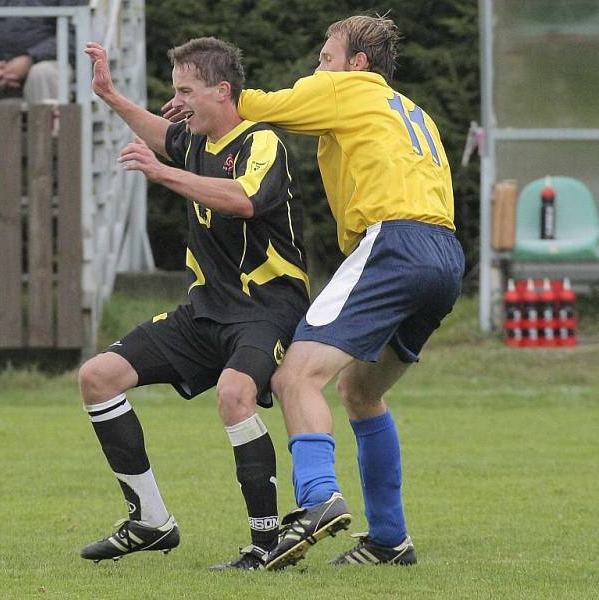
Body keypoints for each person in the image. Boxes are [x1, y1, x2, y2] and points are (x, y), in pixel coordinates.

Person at [170, 14, 464, 569]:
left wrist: (203, 100)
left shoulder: (350, 88)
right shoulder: (411, 111)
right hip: (445, 255)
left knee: (294, 376)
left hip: (394, 243)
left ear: (357, 64)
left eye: (326, 57)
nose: (318, 68)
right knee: (361, 394)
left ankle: (318, 500)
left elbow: (257, 106)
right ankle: (389, 539)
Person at [79, 38, 310, 570]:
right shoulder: (195, 139)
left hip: (266, 308)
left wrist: (162, 175)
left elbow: (243, 199)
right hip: (205, 310)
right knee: (98, 377)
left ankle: (266, 543)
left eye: (187, 90)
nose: (177, 101)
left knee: (234, 394)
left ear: (222, 91)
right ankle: (151, 521)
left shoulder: (261, 142)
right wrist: (111, 96)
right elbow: (164, 136)